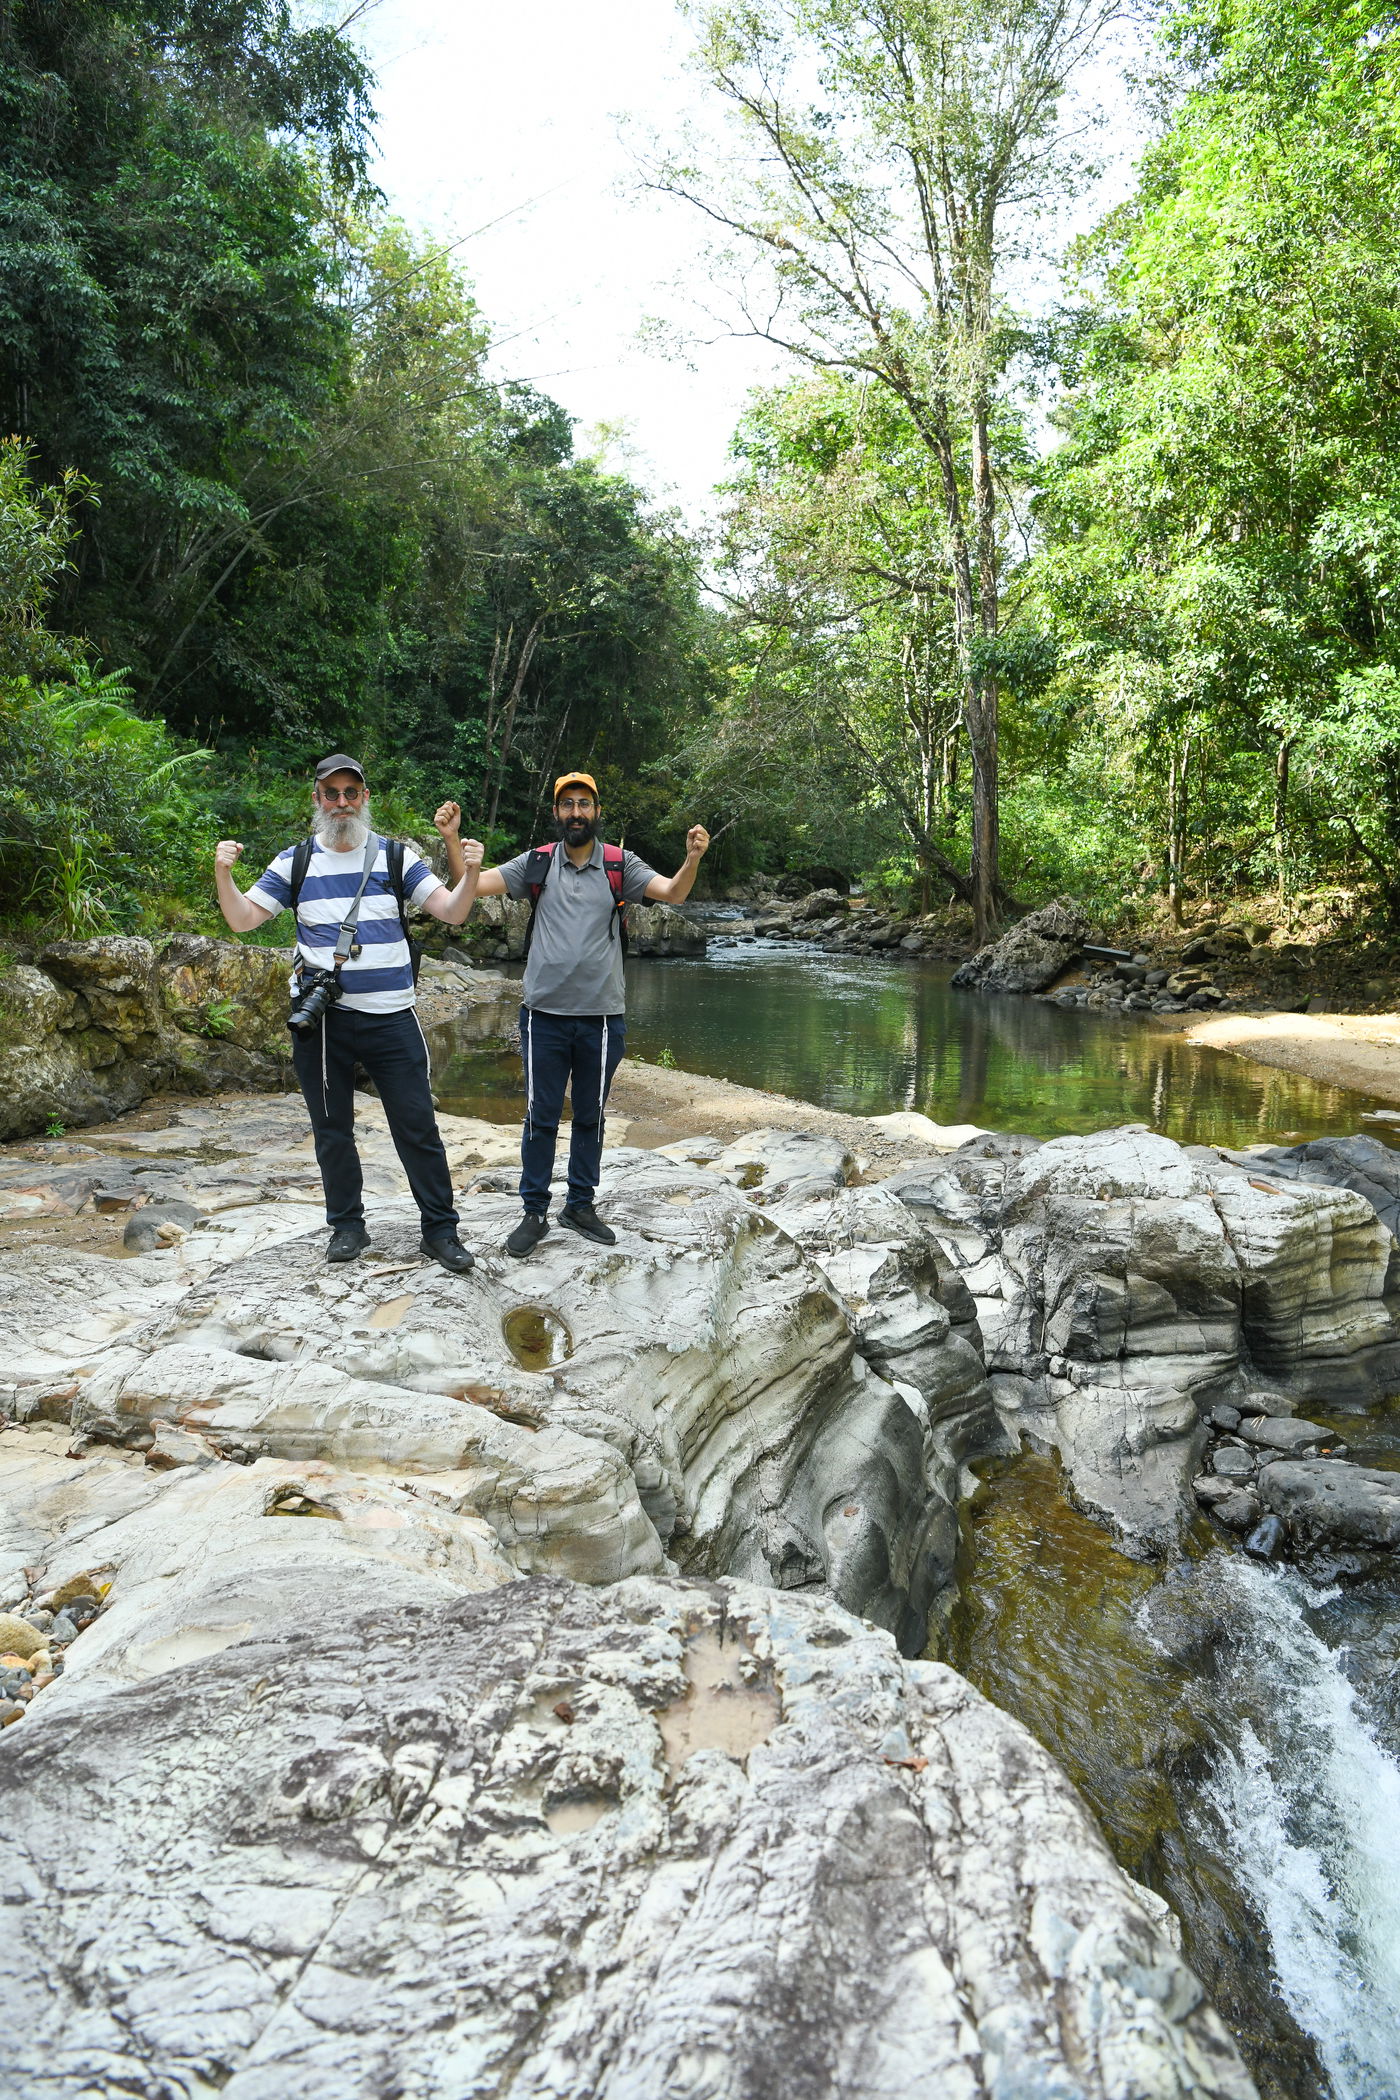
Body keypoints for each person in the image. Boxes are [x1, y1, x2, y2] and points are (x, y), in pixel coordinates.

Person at [215, 754, 485, 1272]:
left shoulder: (396, 858)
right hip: (322, 1023)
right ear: (317, 799)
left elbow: (452, 912)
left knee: (417, 1125)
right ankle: (346, 1227)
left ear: (365, 798)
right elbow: (243, 920)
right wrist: (223, 873)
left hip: (392, 1016)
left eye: (351, 793)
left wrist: (471, 872)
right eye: (331, 794)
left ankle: (440, 1231)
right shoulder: (293, 862)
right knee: (332, 1128)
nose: (342, 803)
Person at [434, 773, 709, 1257]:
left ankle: (579, 1205)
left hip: (602, 1016)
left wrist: (692, 859)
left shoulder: (620, 865)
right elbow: (470, 887)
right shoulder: (537, 863)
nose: (576, 813)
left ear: (596, 811)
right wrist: (453, 841)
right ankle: (534, 1211)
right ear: (557, 813)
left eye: (584, 804)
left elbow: (674, 893)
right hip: (543, 1015)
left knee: (590, 1115)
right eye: (568, 805)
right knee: (540, 1116)